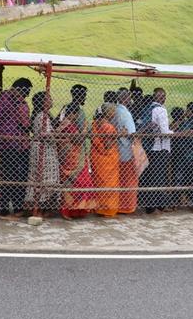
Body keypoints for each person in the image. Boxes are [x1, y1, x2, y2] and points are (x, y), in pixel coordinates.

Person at [0, 77, 33, 219]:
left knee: (20, 177)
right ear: (18, 89)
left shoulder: (21, 101)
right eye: (26, 91)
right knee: (8, 176)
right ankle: (3, 209)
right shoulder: (4, 101)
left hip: (22, 145)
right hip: (9, 144)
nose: (27, 95)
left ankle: (18, 208)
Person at [56, 85, 95, 219]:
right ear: (79, 95)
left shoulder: (65, 108)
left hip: (70, 153)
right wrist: (85, 131)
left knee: (75, 182)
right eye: (84, 95)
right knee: (79, 182)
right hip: (74, 154)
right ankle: (70, 210)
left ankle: (77, 210)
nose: (85, 97)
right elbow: (78, 136)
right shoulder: (76, 111)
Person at [25, 90, 60, 214]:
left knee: (42, 177)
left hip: (43, 149)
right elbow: (48, 136)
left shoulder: (44, 115)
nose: (51, 100)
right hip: (43, 150)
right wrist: (61, 129)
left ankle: (39, 207)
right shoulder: (42, 116)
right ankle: (36, 207)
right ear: (44, 102)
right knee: (44, 178)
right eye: (49, 98)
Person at [141, 88, 172, 213]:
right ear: (162, 97)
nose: (163, 98)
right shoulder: (161, 110)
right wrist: (176, 132)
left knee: (150, 175)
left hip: (150, 147)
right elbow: (165, 132)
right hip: (160, 147)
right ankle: (156, 204)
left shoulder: (148, 108)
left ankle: (150, 204)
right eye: (162, 96)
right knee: (158, 177)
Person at [90, 103, 121, 217]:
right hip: (107, 159)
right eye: (113, 111)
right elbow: (108, 145)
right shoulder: (108, 127)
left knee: (99, 182)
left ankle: (99, 207)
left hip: (97, 158)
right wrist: (118, 135)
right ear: (109, 113)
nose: (115, 114)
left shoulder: (96, 124)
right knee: (109, 185)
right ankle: (107, 209)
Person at [111, 89, 139, 214]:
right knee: (129, 180)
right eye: (129, 97)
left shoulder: (115, 111)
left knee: (119, 179)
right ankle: (127, 207)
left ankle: (118, 205)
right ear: (126, 98)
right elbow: (132, 133)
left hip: (116, 149)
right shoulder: (125, 114)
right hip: (127, 151)